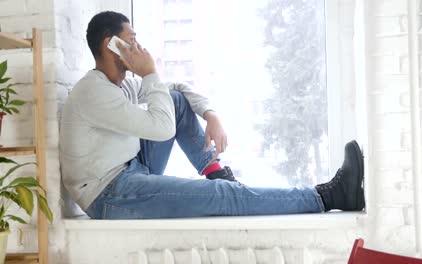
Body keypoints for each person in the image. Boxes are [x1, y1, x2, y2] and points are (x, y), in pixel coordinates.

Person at [59, 11, 365, 219]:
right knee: (221, 196)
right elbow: (162, 128)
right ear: (110, 45)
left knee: (176, 100)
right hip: (110, 194)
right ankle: (328, 197)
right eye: (132, 39)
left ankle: (216, 170)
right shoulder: (93, 92)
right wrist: (150, 71)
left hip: (132, 168)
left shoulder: (119, 84)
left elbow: (175, 91)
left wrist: (210, 113)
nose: (139, 46)